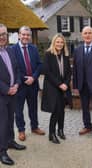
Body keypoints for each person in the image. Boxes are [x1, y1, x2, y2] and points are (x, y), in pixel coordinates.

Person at [12, 26, 45, 141]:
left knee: (33, 107)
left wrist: (34, 77)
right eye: (23, 34)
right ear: (19, 35)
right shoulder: (12, 50)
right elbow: (13, 68)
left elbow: (40, 64)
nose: (26, 37)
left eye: (28, 35)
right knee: (18, 109)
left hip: (33, 84)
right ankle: (21, 130)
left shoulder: (34, 48)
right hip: (20, 85)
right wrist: (24, 78)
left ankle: (35, 127)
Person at [0, 23, 26, 166]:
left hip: (13, 92)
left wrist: (16, 84)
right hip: (1, 95)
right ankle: (2, 151)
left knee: (10, 120)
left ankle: (10, 141)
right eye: (0, 35)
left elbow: (17, 70)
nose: (2, 37)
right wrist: (6, 89)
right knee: (2, 123)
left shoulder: (10, 50)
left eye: (4, 34)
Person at [41, 34, 71, 144]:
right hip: (53, 87)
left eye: (61, 42)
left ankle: (60, 130)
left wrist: (66, 84)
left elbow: (68, 72)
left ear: (64, 44)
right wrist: (59, 84)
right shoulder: (49, 54)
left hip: (64, 87)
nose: (59, 44)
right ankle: (51, 133)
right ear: (54, 43)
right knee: (55, 111)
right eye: (57, 42)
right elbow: (47, 72)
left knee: (62, 110)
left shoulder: (66, 55)